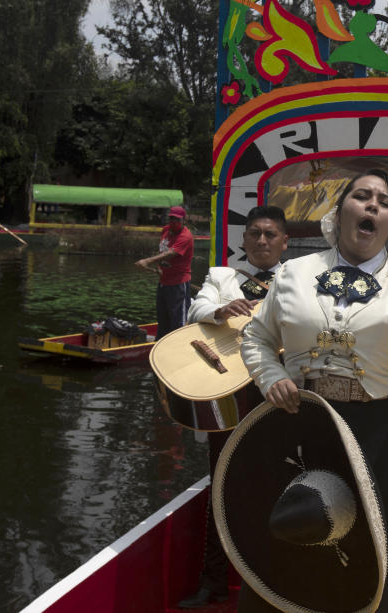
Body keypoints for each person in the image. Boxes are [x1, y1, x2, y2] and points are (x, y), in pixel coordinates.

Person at [240, 169, 388, 612]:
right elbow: (256, 338)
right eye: (362, 196)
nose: (373, 204)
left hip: (377, 431)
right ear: (340, 215)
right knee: (293, 532)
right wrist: (271, 377)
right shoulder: (294, 274)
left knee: (372, 547)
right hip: (301, 422)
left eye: (385, 201)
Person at [176, 205, 289, 609]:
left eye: (270, 235)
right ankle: (214, 582)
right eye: (254, 234)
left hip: (279, 398)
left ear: (284, 242)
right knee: (221, 487)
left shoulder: (298, 282)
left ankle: (273, 582)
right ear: (242, 241)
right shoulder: (223, 277)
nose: (261, 241)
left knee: (278, 488)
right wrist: (220, 311)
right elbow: (194, 309)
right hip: (229, 395)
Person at [135, 206, 194, 339]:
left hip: (178, 283)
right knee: (163, 318)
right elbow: (163, 251)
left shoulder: (186, 236)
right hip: (164, 281)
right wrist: (159, 266)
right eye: (171, 218)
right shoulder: (166, 230)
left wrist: (147, 261)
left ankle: (178, 347)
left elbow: (171, 253)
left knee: (178, 321)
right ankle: (159, 344)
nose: (173, 222)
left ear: (183, 220)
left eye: (177, 219)